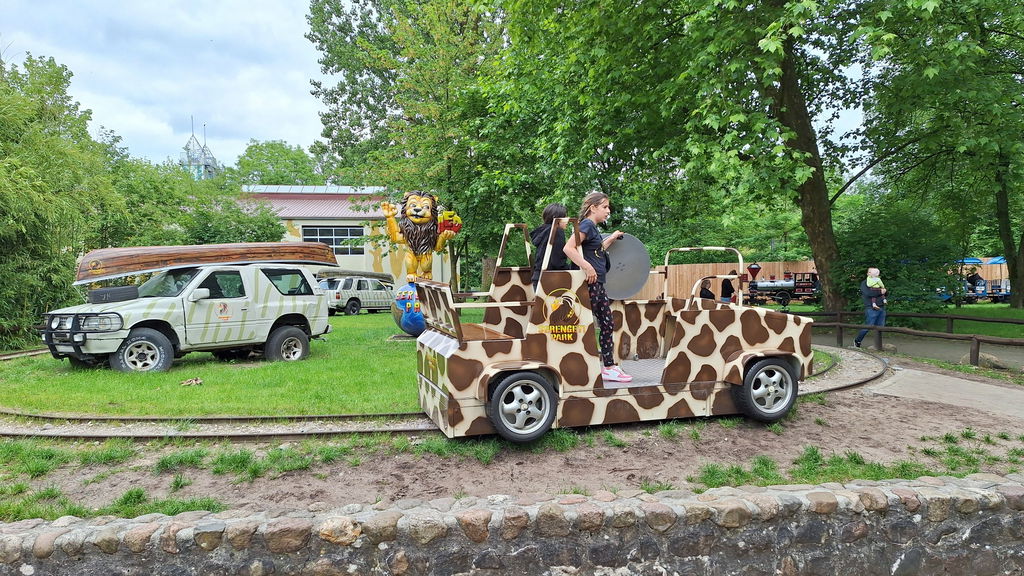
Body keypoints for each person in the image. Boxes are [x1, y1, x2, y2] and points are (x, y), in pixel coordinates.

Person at [563, 192, 632, 383]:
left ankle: (608, 366)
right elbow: (568, 248)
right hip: (591, 283)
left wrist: (612, 238)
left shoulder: (591, 227)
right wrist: (587, 267)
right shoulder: (586, 225)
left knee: (605, 323)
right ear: (593, 208)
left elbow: (596, 249)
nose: (608, 211)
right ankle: (598, 366)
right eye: (605, 207)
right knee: (596, 323)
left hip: (597, 283)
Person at [530, 202, 571, 289]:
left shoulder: (542, 232)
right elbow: (557, 262)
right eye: (565, 216)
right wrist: (572, 269)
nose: (568, 219)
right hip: (552, 281)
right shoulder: (556, 232)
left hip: (538, 277)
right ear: (556, 218)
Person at [854, 267, 887, 348]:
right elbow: (869, 293)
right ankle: (857, 341)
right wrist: (880, 292)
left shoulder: (878, 281)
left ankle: (878, 345)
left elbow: (885, 292)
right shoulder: (865, 283)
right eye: (871, 272)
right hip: (871, 308)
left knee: (880, 327)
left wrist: (883, 292)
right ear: (868, 273)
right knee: (868, 326)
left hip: (881, 307)